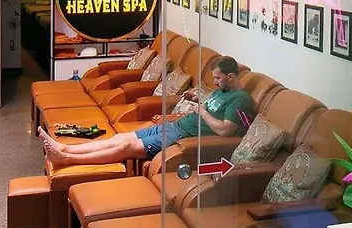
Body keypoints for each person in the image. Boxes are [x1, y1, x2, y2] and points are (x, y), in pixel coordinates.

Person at [40, 56, 253, 169]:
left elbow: (225, 130)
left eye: (218, 78)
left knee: (126, 147)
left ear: (231, 77)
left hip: (182, 137)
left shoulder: (240, 99)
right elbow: (215, 107)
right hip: (175, 126)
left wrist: (202, 112)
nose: (215, 82)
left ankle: (67, 159)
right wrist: (199, 100)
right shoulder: (223, 90)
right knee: (120, 137)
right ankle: (65, 148)